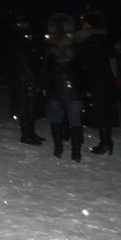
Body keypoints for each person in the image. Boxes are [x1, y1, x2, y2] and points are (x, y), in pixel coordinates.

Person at [41, 13, 84, 162]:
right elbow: (83, 69)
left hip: (55, 87)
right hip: (74, 87)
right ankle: (76, 152)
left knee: (56, 118)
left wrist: (44, 86)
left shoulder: (50, 49)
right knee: (75, 119)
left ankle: (58, 148)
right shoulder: (77, 48)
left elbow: (44, 70)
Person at [75, 10, 118, 155]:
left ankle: (105, 142)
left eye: (85, 23)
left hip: (99, 79)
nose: (83, 26)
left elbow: (91, 64)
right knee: (104, 110)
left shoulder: (92, 40)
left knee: (101, 111)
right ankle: (106, 141)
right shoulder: (101, 38)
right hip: (104, 78)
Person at [6, 16, 44, 145]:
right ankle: (26, 134)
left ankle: (30, 133)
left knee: (29, 108)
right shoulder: (18, 41)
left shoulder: (22, 40)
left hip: (24, 78)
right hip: (24, 80)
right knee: (26, 108)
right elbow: (24, 62)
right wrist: (33, 78)